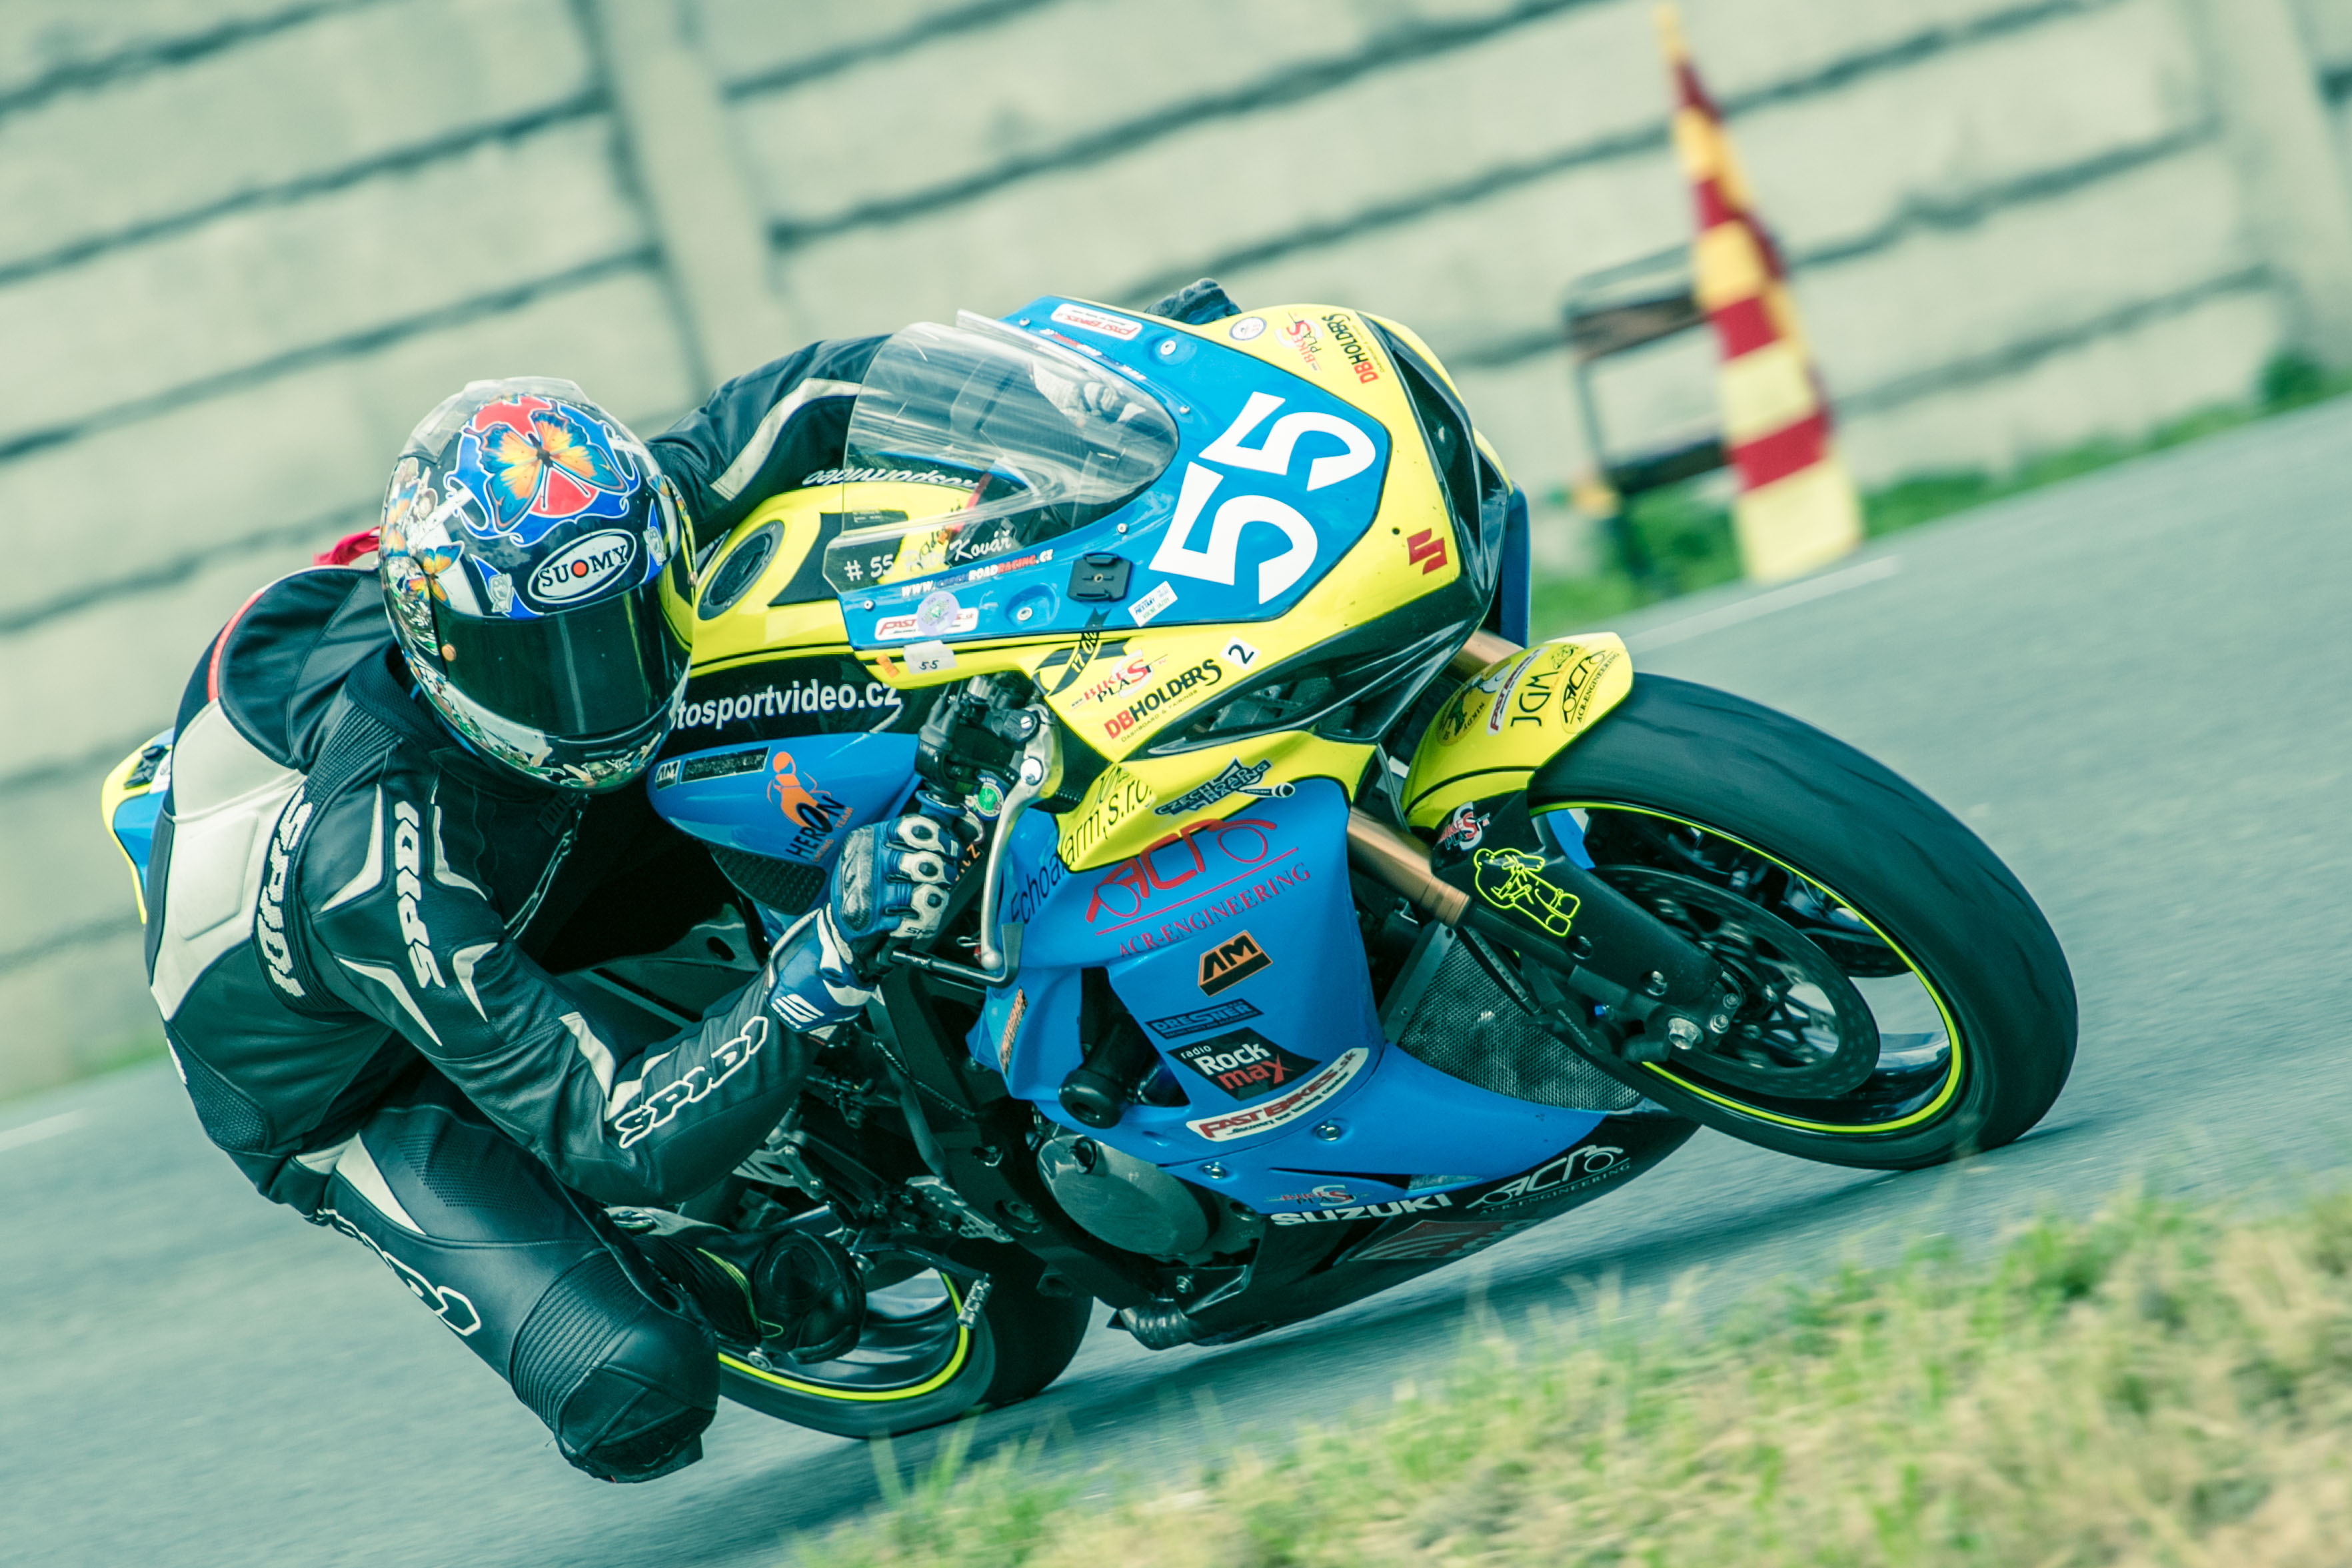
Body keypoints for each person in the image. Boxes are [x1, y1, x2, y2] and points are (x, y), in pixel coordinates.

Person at [140, 326, 982, 1481]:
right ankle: (715, 1267)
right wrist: (828, 951)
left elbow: (818, 393)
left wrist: (1082, 401)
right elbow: (612, 1130)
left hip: (557, 845)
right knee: (632, 1386)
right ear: (442, 651)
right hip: (366, 1073)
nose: (599, 691)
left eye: (622, 628)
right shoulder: (369, 862)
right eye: (543, 665)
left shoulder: (602, 519)